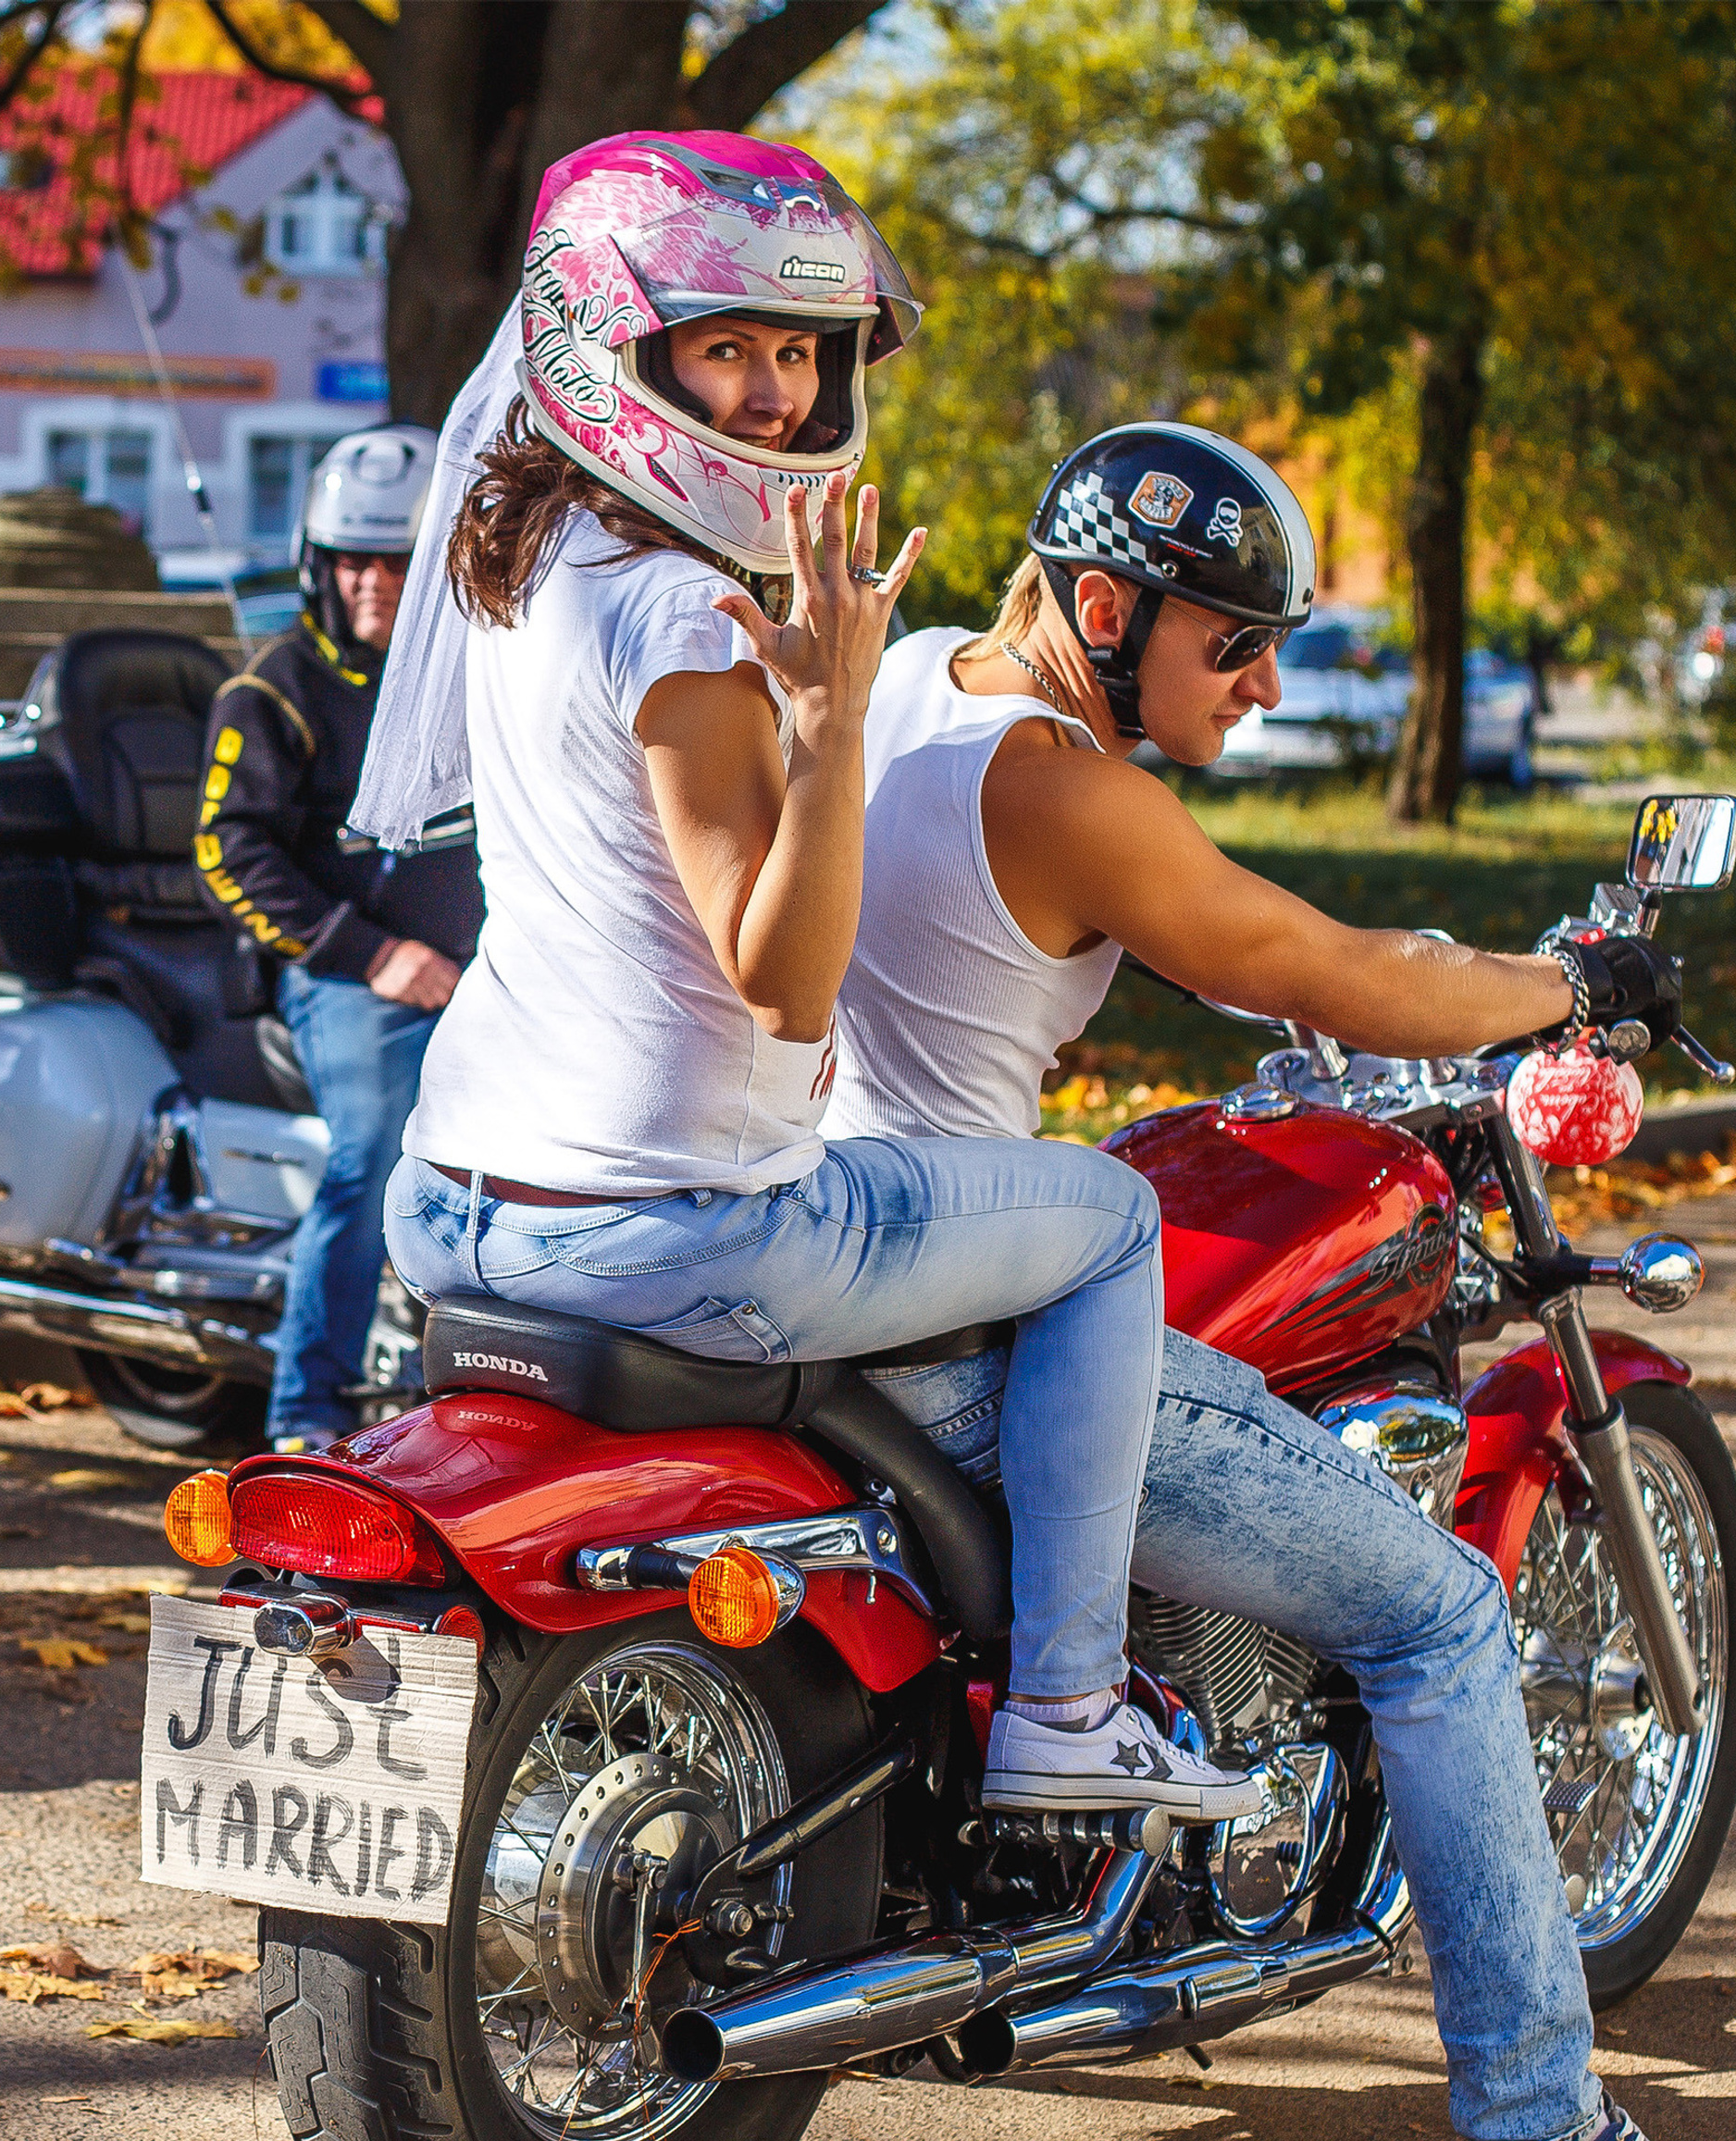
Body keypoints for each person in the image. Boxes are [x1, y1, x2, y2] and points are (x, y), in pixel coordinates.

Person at [822, 420, 1736, 2141]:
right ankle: (1546, 2137)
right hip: (969, 1320)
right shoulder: (1068, 788)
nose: (1263, 681)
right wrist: (1578, 982)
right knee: (1442, 1611)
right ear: (1104, 606)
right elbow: (1327, 973)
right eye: (1233, 640)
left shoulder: (913, 689)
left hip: (841, 1263)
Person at [359, 131, 1257, 1827]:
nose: (775, 395)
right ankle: (1069, 1700)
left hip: (458, 1196)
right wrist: (837, 724)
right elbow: (783, 982)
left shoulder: (523, 560)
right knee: (1108, 1220)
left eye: (800, 350)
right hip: (677, 1222)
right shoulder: (689, 619)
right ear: (615, 349)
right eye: (727, 345)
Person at [194, 426, 483, 1449]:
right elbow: (228, 852)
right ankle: (304, 1421)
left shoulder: (474, 676)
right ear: (321, 563)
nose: (375, 582)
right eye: (355, 559)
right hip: (347, 979)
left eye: (398, 561)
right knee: (374, 1159)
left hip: (484, 975)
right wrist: (374, 956)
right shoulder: (273, 690)